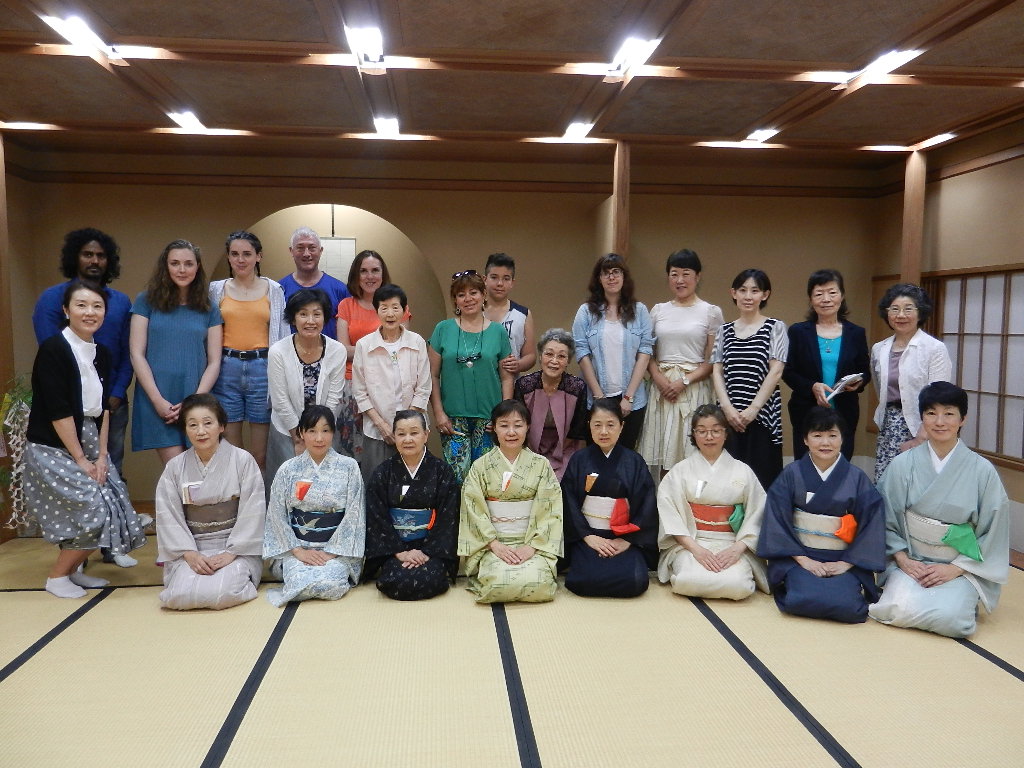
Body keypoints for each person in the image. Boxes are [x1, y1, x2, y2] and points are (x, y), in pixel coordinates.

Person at [23, 280, 147, 598]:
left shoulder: (101, 352)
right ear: (66, 310)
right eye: (81, 305)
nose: (90, 312)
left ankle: (75, 571)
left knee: (113, 503)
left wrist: (102, 456)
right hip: (54, 444)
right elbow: (58, 411)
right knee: (93, 509)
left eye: (97, 306)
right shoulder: (54, 350)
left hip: (92, 438)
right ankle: (57, 577)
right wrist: (81, 459)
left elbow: (103, 409)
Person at [869, 382, 1009, 638]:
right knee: (892, 610)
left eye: (949, 413)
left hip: (960, 566)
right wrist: (903, 559)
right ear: (922, 418)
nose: (940, 421)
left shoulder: (982, 471)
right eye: (931, 413)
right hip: (912, 562)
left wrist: (956, 568)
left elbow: (993, 530)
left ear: (963, 419)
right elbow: (883, 517)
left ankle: (962, 596)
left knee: (953, 621)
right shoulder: (902, 465)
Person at [32, 228, 135, 567]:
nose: (94, 260)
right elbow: (56, 355)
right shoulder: (52, 299)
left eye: (101, 255)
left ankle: (111, 547)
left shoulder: (120, 302)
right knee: (75, 485)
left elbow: (125, 353)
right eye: (87, 254)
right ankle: (74, 559)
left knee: (110, 473)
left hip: (107, 407)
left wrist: (116, 393)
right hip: (66, 412)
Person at [757, 407, 886, 623]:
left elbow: (872, 522)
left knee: (849, 608)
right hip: (799, 557)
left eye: (832, 435)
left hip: (842, 558)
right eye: (817, 435)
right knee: (799, 600)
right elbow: (776, 518)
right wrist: (804, 560)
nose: (825, 442)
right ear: (805, 439)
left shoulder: (856, 478)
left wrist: (847, 563)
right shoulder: (792, 474)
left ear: (842, 439)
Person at [155, 394, 265, 610]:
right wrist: (189, 554)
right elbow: (168, 514)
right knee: (179, 596)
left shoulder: (243, 460)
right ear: (185, 429)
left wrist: (231, 553)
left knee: (223, 592)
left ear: (221, 426)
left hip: (236, 547)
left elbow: (254, 510)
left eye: (207, 423)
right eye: (193, 425)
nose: (201, 431)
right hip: (191, 547)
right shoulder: (175, 467)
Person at [657, 404, 768, 600]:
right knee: (688, 580)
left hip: (731, 542)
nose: (709, 437)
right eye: (702, 431)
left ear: (725, 434)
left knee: (738, 585)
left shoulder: (743, 471)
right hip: (691, 542)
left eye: (716, 431)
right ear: (694, 434)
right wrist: (696, 550)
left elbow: (758, 512)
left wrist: (738, 549)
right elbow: (670, 515)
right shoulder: (680, 471)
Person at [459, 400, 563, 603]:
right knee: (498, 583)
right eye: (504, 425)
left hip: (532, 543)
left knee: (539, 582)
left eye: (518, 425)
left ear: (528, 427)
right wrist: (494, 544)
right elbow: (473, 509)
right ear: (494, 428)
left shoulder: (541, 465)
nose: (511, 432)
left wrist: (532, 547)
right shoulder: (480, 466)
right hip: (492, 545)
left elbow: (551, 510)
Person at [130, 239, 222, 464]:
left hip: (195, 396)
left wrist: (195, 401)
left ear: (197, 267)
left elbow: (214, 361)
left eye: (188, 264)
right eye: (175, 263)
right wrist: (157, 400)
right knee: (178, 470)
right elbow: (136, 353)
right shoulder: (146, 301)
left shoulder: (209, 307)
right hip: (158, 398)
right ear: (166, 266)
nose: (182, 269)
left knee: (199, 472)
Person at [264, 405, 365, 606]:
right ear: (301, 433)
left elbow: (355, 515)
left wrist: (331, 552)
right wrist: (298, 551)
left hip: (337, 551)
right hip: (298, 549)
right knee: (299, 582)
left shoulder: (349, 467)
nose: (319, 438)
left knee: (330, 584)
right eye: (312, 431)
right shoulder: (288, 470)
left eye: (325, 430)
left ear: (333, 433)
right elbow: (276, 514)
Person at [209, 230, 289, 473]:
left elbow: (283, 334)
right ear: (228, 257)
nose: (240, 259)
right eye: (234, 254)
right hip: (227, 367)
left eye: (247, 254)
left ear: (258, 256)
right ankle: (238, 496)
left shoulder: (274, 289)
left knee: (259, 455)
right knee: (232, 451)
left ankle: (259, 497)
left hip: (262, 368)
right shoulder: (216, 290)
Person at [560, 398, 657, 598]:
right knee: (582, 580)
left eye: (610, 425)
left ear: (622, 426)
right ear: (589, 426)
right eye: (597, 425)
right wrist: (588, 537)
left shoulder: (634, 462)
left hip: (624, 536)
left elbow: (646, 505)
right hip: (588, 536)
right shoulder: (579, 459)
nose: (603, 431)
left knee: (635, 581)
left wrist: (627, 540)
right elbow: (568, 501)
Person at [638, 249, 723, 474]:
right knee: (663, 455)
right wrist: (658, 378)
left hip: (693, 389)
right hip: (662, 390)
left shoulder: (710, 312)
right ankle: (665, 496)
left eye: (686, 274)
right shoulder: (658, 311)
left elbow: (712, 360)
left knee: (692, 455)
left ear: (698, 276)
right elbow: (648, 353)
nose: (680, 280)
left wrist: (683, 381)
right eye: (674, 274)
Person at [363, 410, 460, 600]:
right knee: (394, 580)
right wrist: (400, 552)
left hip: (430, 549)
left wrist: (426, 552)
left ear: (426, 435)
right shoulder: (383, 472)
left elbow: (448, 517)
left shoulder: (442, 472)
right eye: (401, 434)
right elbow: (377, 517)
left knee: (430, 578)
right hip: (395, 549)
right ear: (394, 436)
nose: (408, 439)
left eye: (414, 433)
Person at [429, 270, 514, 483]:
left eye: (473, 292)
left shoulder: (498, 332)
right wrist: (438, 413)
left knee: (486, 479)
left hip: (489, 418)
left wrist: (502, 417)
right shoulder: (442, 329)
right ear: (455, 300)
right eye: (461, 294)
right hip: (452, 419)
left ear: (484, 295)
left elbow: (507, 378)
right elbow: (432, 375)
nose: (468, 299)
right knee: (458, 479)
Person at [711, 268, 788, 490]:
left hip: (762, 417)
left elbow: (776, 371)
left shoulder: (775, 327)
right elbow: (717, 371)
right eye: (743, 290)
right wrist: (727, 409)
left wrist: (753, 409)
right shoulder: (724, 330)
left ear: (765, 295)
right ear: (733, 293)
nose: (748, 296)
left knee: (761, 483)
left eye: (755, 291)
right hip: (729, 418)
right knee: (728, 484)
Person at [783, 269, 870, 461]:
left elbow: (865, 371)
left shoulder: (856, 333)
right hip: (806, 412)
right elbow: (788, 371)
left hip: (844, 412)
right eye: (819, 294)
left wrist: (859, 382)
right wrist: (812, 386)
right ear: (811, 299)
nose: (826, 299)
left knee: (840, 466)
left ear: (842, 296)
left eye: (832, 292)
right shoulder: (798, 332)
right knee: (806, 466)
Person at [870, 283, 952, 480]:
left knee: (917, 483)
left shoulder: (934, 348)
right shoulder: (879, 349)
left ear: (920, 312)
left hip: (924, 426)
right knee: (886, 482)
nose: (901, 315)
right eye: (894, 309)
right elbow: (879, 388)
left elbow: (939, 396)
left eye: (908, 309)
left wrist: (922, 436)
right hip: (889, 425)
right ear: (887, 313)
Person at [572, 253, 654, 451]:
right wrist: (599, 396)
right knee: (597, 454)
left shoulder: (640, 311)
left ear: (624, 276)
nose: (611, 277)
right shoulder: (586, 312)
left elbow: (645, 352)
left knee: (626, 455)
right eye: (606, 273)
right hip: (596, 397)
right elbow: (581, 352)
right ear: (599, 278)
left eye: (616, 272)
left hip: (632, 400)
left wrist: (628, 397)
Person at [352, 284, 431, 482]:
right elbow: (360, 392)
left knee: (414, 484)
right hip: (377, 430)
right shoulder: (364, 345)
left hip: (413, 431)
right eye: (384, 307)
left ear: (404, 310)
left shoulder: (417, 342)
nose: (390, 314)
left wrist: (406, 427)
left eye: (395, 307)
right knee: (377, 484)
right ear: (376, 310)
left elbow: (423, 387)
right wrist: (382, 425)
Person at [266, 288, 347, 482]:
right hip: (286, 430)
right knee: (287, 485)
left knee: (324, 485)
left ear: (325, 318)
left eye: (317, 314)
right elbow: (280, 400)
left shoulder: (337, 351)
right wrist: (299, 437)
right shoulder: (278, 351)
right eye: (303, 314)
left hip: (323, 432)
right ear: (293, 319)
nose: (310, 321)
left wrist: (318, 434)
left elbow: (334, 398)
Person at [336, 250, 411, 457]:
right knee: (352, 451)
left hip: (391, 386)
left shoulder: (397, 305)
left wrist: (362, 351)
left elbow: (402, 349)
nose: (370, 276)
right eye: (364, 271)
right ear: (356, 275)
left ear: (382, 273)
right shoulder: (346, 305)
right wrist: (379, 350)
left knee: (387, 448)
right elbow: (343, 350)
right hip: (353, 385)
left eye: (375, 270)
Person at [513, 328, 588, 481]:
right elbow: (518, 424)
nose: (554, 361)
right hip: (529, 447)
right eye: (549, 354)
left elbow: (577, 430)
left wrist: (559, 452)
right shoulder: (524, 385)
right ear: (540, 356)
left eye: (561, 356)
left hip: (565, 447)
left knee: (564, 481)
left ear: (568, 361)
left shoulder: (577, 387)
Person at [278, 226, 350, 340]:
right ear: (291, 251)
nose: (306, 254)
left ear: (320, 251)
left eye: (312, 248)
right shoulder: (279, 290)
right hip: (289, 351)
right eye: (300, 248)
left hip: (330, 351)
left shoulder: (340, 290)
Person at [483, 252, 536, 376]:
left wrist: (518, 364)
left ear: (512, 282)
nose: (500, 283)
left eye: (506, 278)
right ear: (485, 279)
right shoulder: (473, 311)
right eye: (494, 277)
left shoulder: (523, 314)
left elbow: (530, 355)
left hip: (510, 382)